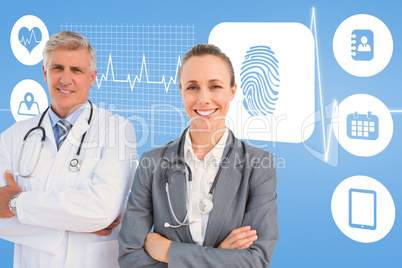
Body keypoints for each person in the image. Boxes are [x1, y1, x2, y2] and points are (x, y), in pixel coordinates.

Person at [119, 44, 278, 267]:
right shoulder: (151, 164)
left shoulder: (258, 166)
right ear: (181, 92)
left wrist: (169, 252)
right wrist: (221, 256)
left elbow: (255, 260)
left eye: (215, 86)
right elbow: (130, 256)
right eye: (193, 87)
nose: (203, 99)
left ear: (232, 91)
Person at [0, 31, 136, 268]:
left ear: (92, 77)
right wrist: (77, 224)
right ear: (45, 72)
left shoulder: (118, 130)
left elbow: (101, 210)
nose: (65, 79)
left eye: (77, 70)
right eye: (57, 68)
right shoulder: (13, 136)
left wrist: (16, 204)